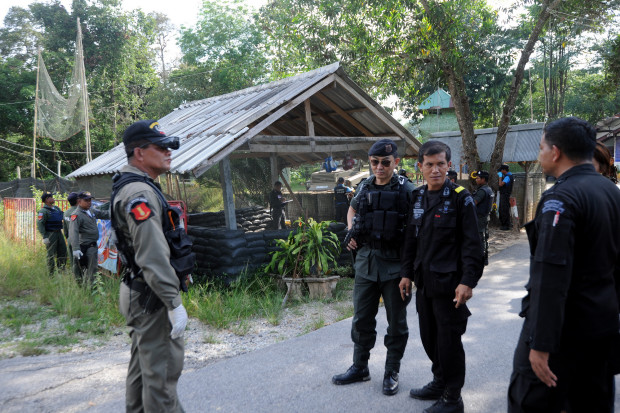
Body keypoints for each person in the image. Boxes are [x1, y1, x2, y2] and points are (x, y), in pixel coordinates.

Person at [507, 117, 620, 413]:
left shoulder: (561, 198)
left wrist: (541, 344)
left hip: (562, 335)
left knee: (528, 402)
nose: (540, 154)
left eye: (541, 147)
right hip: (601, 329)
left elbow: (550, 277)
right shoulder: (612, 192)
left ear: (555, 152)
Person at [400, 140, 483, 413]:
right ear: (420, 167)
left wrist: (467, 281)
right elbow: (410, 240)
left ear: (449, 165)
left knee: (449, 343)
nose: (435, 170)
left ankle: (453, 397)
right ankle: (439, 382)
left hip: (450, 285)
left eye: (440, 164)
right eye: (429, 164)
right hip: (425, 282)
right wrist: (406, 274)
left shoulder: (461, 197)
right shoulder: (417, 197)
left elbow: (473, 245)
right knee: (429, 337)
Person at [111, 119, 188, 412]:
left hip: (139, 289)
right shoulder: (138, 194)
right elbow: (152, 255)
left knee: (143, 374)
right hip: (152, 297)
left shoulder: (134, 185)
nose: (169, 152)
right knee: (161, 382)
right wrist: (173, 302)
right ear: (139, 153)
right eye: (161, 147)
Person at [332, 138, 415, 396]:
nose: (380, 167)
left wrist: (409, 271)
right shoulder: (365, 186)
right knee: (361, 320)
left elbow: (415, 232)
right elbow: (352, 210)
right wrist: (351, 230)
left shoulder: (407, 190)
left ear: (396, 162)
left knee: (396, 324)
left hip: (395, 267)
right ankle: (360, 367)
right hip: (366, 264)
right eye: (375, 162)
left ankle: (391, 371)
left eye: (385, 163)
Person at [69, 191, 110, 284]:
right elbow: (73, 232)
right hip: (84, 246)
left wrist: (117, 210)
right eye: (86, 200)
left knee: (93, 270)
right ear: (79, 201)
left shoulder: (91, 211)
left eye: (90, 200)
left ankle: (91, 288)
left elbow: (104, 214)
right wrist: (75, 248)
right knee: (84, 270)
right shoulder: (76, 214)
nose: (89, 202)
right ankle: (85, 288)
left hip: (93, 246)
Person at [37, 191, 67, 275]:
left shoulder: (56, 208)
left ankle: (61, 271)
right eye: (51, 197)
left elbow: (63, 216)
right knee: (51, 254)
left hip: (59, 233)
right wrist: (44, 236)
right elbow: (40, 224)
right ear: (47, 199)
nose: (53, 198)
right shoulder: (43, 211)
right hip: (50, 234)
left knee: (63, 251)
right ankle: (51, 273)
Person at [472, 170, 493, 266]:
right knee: (484, 238)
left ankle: (482, 259)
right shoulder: (489, 189)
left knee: (480, 239)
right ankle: (485, 258)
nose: (476, 180)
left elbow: (474, 203)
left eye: (478, 178)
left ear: (483, 179)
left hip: (480, 218)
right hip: (485, 217)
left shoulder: (482, 191)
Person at [63, 192, 79, 269]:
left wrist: (68, 237)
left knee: (73, 260)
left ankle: (74, 274)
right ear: (78, 200)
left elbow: (65, 228)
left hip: (70, 238)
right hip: (79, 239)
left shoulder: (66, 212)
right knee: (80, 261)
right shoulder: (79, 212)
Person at [498, 164, 513, 230]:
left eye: (501, 170)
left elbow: (500, 184)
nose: (500, 172)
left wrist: (500, 177)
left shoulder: (508, 177)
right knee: (503, 209)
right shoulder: (508, 176)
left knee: (504, 210)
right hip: (504, 195)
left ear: (504, 170)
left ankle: (506, 225)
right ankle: (504, 224)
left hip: (505, 195)